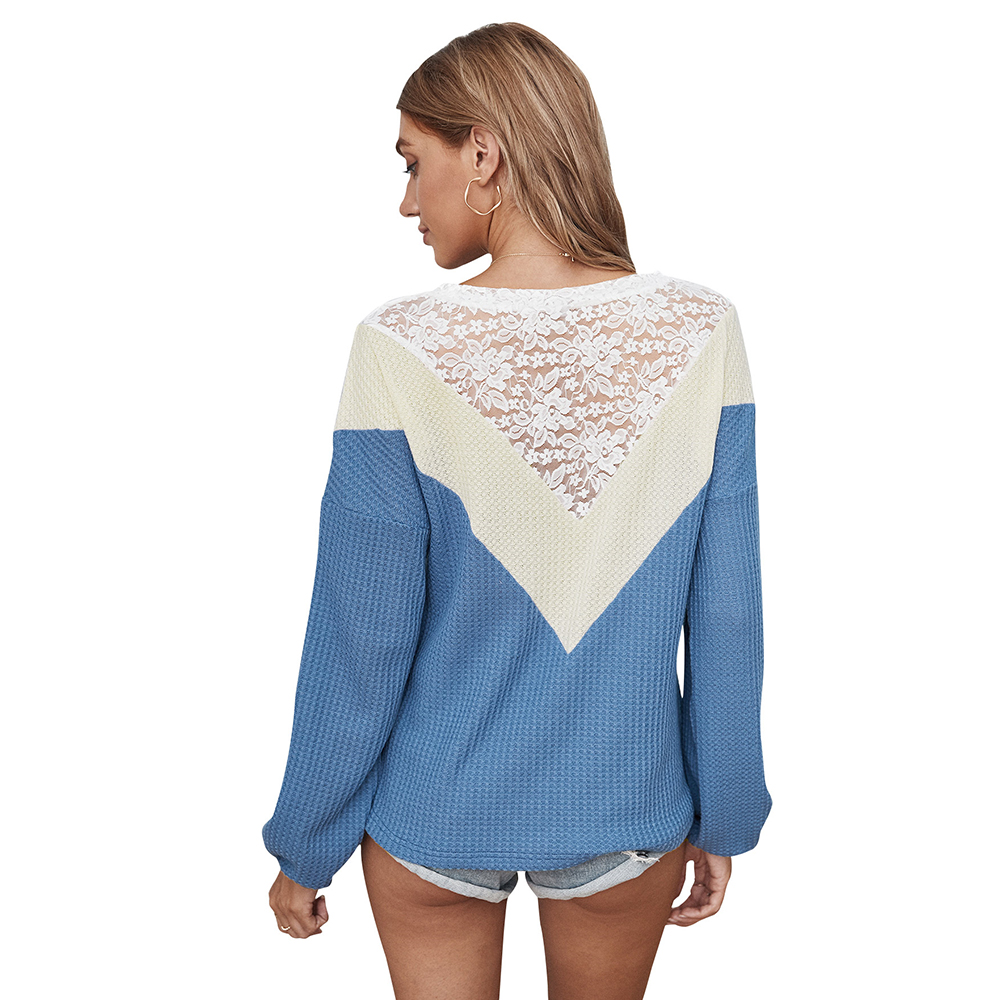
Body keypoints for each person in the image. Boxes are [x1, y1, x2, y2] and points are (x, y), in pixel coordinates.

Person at [262, 21, 771, 1000]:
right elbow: (727, 613)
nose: (406, 200)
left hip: (433, 814)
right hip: (627, 811)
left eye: (413, 162)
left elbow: (358, 638)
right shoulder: (702, 332)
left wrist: (305, 841)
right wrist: (725, 812)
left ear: (483, 154)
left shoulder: (397, 348)